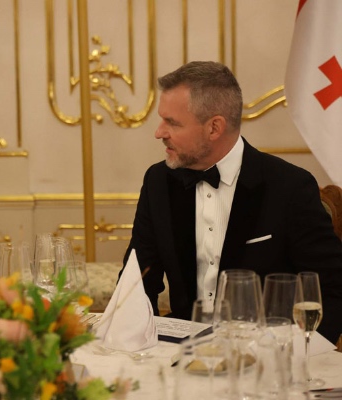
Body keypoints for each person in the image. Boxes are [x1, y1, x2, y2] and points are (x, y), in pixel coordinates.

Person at [123, 61, 342, 343]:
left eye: (172, 123)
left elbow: (334, 288)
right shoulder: (158, 181)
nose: (159, 132)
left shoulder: (289, 187)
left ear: (214, 127)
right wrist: (141, 348)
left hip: (265, 353)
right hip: (182, 352)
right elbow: (137, 280)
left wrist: (300, 354)